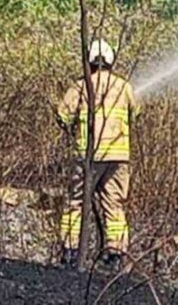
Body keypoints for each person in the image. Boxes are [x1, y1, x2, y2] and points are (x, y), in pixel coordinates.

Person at [56, 39, 137, 270]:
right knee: (115, 203)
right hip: (119, 157)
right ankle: (116, 253)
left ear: (89, 61)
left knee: (76, 202)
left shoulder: (81, 86)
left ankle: (71, 251)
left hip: (88, 156)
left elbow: (62, 115)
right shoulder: (124, 87)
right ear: (111, 60)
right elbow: (136, 113)